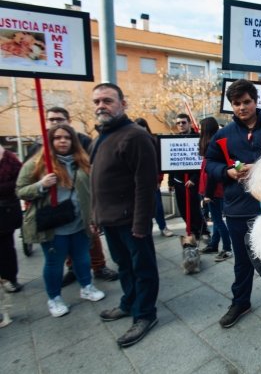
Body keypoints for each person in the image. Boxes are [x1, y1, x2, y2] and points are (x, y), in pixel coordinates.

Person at [90, 83, 159, 348]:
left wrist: (141, 224)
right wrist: (95, 216)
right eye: (96, 101)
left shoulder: (136, 136)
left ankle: (145, 315)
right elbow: (98, 181)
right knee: (124, 267)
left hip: (132, 222)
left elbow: (146, 185)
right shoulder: (101, 137)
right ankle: (129, 303)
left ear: (123, 103)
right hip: (110, 221)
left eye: (107, 100)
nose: (101, 106)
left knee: (142, 269)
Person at [16, 124, 105, 317]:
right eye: (57, 138)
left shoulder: (81, 161)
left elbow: (90, 191)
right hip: (54, 226)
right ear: (50, 141)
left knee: (82, 257)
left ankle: (87, 286)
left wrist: (93, 217)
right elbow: (20, 190)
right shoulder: (37, 163)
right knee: (54, 263)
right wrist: (41, 185)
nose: (63, 141)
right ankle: (54, 298)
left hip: (79, 221)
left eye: (67, 137)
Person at [206, 79, 261, 328]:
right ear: (231, 106)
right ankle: (240, 301)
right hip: (237, 207)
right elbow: (209, 164)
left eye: (246, 102)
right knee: (243, 260)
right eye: (236, 103)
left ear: (256, 101)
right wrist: (227, 172)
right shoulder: (223, 135)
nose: (242, 107)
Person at [27, 106, 118, 285]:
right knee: (65, 240)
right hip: (56, 203)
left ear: (68, 121)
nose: (55, 123)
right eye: (52, 120)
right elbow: (27, 177)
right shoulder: (39, 145)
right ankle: (73, 269)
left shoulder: (83, 141)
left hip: (82, 199)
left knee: (90, 235)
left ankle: (99, 266)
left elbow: (95, 166)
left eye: (59, 119)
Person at [168, 113, 206, 242]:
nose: (180, 125)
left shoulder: (198, 139)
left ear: (189, 123)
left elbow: (201, 163)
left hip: (192, 182)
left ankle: (201, 230)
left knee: (195, 209)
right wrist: (170, 182)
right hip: (179, 182)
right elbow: (171, 161)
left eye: (183, 122)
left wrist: (194, 179)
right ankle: (191, 230)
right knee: (183, 210)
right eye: (178, 123)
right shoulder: (173, 140)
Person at [198, 117, 232, 261]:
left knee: (218, 221)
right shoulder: (214, 145)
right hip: (213, 190)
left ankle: (226, 248)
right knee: (216, 219)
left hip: (213, 191)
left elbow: (212, 173)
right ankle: (213, 244)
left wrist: (208, 194)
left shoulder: (213, 146)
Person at [134, 118, 174, 238]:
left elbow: (159, 164)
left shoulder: (153, 141)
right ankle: (146, 229)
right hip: (136, 182)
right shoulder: (131, 143)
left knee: (158, 207)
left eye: (142, 127)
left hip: (152, 181)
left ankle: (163, 227)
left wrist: (159, 180)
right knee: (141, 208)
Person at [0, 144, 23, 293]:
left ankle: (9, 278)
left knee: (6, 246)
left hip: (5, 210)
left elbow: (19, 182)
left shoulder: (10, 159)